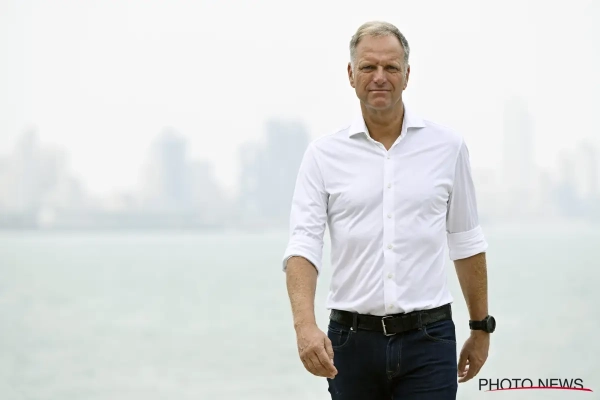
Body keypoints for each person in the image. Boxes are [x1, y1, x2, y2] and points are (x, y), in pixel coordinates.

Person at [281, 20, 495, 400]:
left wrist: (480, 328)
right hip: (350, 343)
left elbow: (465, 240)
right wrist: (304, 326)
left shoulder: (447, 147)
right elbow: (304, 246)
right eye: (368, 66)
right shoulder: (322, 155)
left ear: (407, 75)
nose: (379, 77)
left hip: (429, 341)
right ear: (351, 74)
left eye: (391, 67)